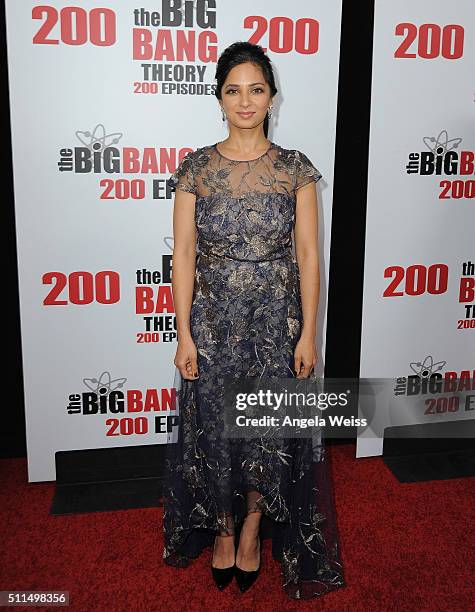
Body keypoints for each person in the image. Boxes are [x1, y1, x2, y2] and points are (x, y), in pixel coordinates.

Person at [162, 41, 345, 599]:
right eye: (233, 90)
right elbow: (186, 255)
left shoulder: (295, 169)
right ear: (219, 99)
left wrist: (308, 333)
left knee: (265, 432)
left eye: (256, 89)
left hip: (275, 322)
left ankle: (251, 527)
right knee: (216, 430)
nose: (245, 101)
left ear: (272, 97)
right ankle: (221, 526)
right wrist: (184, 331)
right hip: (213, 325)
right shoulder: (197, 168)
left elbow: (310, 257)